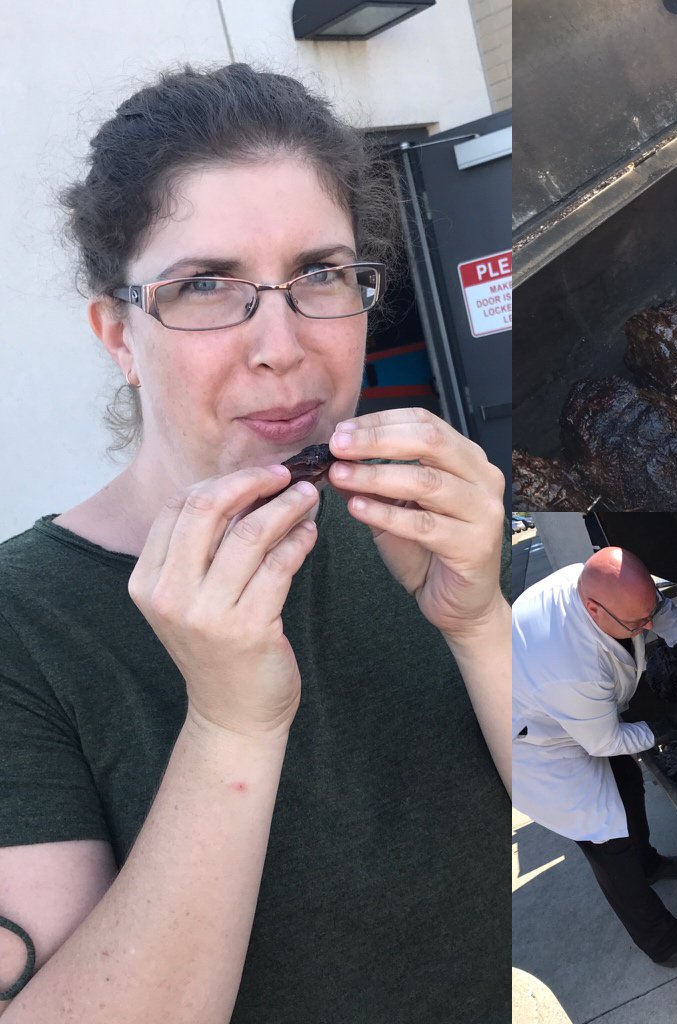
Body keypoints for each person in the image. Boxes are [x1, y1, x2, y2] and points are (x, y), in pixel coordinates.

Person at [0, 64, 510, 1024]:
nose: (282, 345)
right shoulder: (24, 629)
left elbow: (568, 803)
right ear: (118, 334)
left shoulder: (413, 522)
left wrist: (480, 623)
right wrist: (230, 723)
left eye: (321, 274)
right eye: (205, 285)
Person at [512, 546, 677, 972]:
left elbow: (655, 610)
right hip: (538, 746)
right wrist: (663, 730)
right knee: (606, 837)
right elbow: (604, 741)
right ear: (594, 610)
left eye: (647, 614)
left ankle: (648, 863)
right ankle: (665, 944)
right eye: (637, 624)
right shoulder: (568, 664)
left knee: (628, 784)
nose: (647, 627)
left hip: (574, 713)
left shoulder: (604, 586)